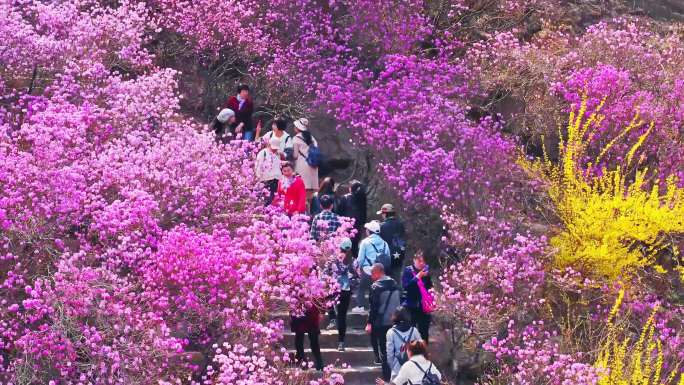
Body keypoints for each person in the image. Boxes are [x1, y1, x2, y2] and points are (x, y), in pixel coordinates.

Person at [366, 263, 401, 381]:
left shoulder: (376, 287)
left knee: (384, 351)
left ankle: (386, 379)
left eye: (372, 273)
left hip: (381, 323)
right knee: (395, 350)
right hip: (395, 323)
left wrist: (369, 323)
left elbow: (374, 308)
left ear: (378, 272)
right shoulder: (395, 284)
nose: (371, 276)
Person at [352, 221, 391, 313]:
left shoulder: (365, 242)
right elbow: (388, 257)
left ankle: (360, 306)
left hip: (367, 270)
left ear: (369, 231)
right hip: (381, 272)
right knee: (377, 289)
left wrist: (357, 268)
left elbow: (360, 259)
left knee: (361, 288)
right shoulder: (385, 243)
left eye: (367, 229)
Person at [325, 237, 355, 351]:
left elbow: (324, 274)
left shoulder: (333, 259)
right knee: (342, 317)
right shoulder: (353, 260)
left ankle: (332, 318)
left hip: (333, 288)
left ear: (340, 247)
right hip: (345, 291)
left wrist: (329, 280)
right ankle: (341, 343)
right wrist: (351, 286)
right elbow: (357, 276)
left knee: (327, 299)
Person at [375, 340, 441, 385]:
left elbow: (397, 383)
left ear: (410, 352)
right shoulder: (429, 364)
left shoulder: (408, 365)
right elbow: (439, 377)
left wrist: (384, 384)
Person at [401, 253, 433, 343]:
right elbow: (407, 287)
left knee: (424, 333)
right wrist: (417, 277)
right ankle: (411, 354)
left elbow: (430, 288)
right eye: (419, 261)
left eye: (423, 261)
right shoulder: (408, 271)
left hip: (424, 307)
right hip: (411, 306)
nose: (421, 263)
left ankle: (424, 353)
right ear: (414, 260)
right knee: (411, 332)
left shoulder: (426, 272)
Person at [386, 307, 422, 380]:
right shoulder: (414, 330)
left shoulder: (391, 332)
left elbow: (389, 353)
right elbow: (421, 348)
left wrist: (392, 366)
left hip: (397, 367)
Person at [291, 118, 319, 206]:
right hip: (313, 165)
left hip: (302, 165)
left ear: (297, 128)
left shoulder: (296, 138)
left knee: (302, 190)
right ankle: (310, 212)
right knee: (311, 192)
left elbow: (295, 155)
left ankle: (303, 212)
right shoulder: (312, 138)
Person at [378, 204, 407, 280]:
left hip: (386, 258)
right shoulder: (401, 224)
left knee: (385, 281)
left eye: (382, 214)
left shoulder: (382, 226)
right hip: (399, 256)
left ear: (385, 214)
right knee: (397, 281)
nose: (382, 216)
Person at [290, 304, 324, 371]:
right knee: (300, 334)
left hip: (312, 305)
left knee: (313, 336)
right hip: (298, 304)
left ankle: (319, 362)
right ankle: (302, 360)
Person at [340, 180, 367, 255]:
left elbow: (340, 213)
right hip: (357, 227)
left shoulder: (345, 198)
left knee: (344, 248)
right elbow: (364, 215)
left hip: (345, 227)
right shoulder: (362, 199)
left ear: (350, 188)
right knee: (355, 249)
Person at [255, 136, 282, 205]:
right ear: (269, 145)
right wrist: (259, 178)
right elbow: (258, 166)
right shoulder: (262, 153)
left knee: (274, 199)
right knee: (266, 200)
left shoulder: (277, 154)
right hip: (266, 180)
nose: (274, 149)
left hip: (276, 180)